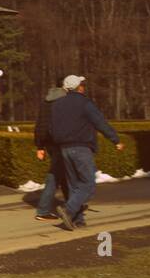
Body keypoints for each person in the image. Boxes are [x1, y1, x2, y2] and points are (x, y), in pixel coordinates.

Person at [49, 74, 123, 230]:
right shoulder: (85, 103)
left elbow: (51, 129)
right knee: (88, 184)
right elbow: (100, 123)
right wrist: (115, 140)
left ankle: (78, 220)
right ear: (79, 87)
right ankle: (68, 211)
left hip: (64, 149)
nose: (84, 87)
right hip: (81, 148)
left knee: (74, 185)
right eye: (82, 85)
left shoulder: (56, 105)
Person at [32, 86, 68, 222]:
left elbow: (40, 125)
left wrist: (39, 145)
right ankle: (43, 210)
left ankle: (72, 203)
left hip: (48, 143)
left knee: (62, 173)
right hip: (59, 142)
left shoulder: (45, 102)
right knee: (55, 175)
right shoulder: (63, 103)